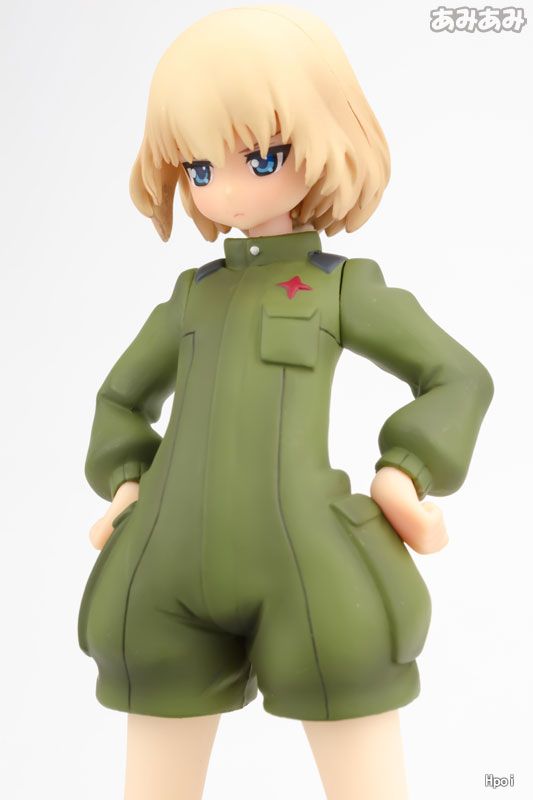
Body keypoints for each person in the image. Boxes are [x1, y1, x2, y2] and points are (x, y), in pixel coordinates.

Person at [77, 6, 494, 799]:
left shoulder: (339, 288)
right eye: (199, 167)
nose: (228, 188)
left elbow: (454, 374)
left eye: (260, 155)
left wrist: (405, 469)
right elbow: (119, 398)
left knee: (359, 740)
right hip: (163, 564)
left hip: (306, 564)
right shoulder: (192, 297)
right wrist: (126, 480)